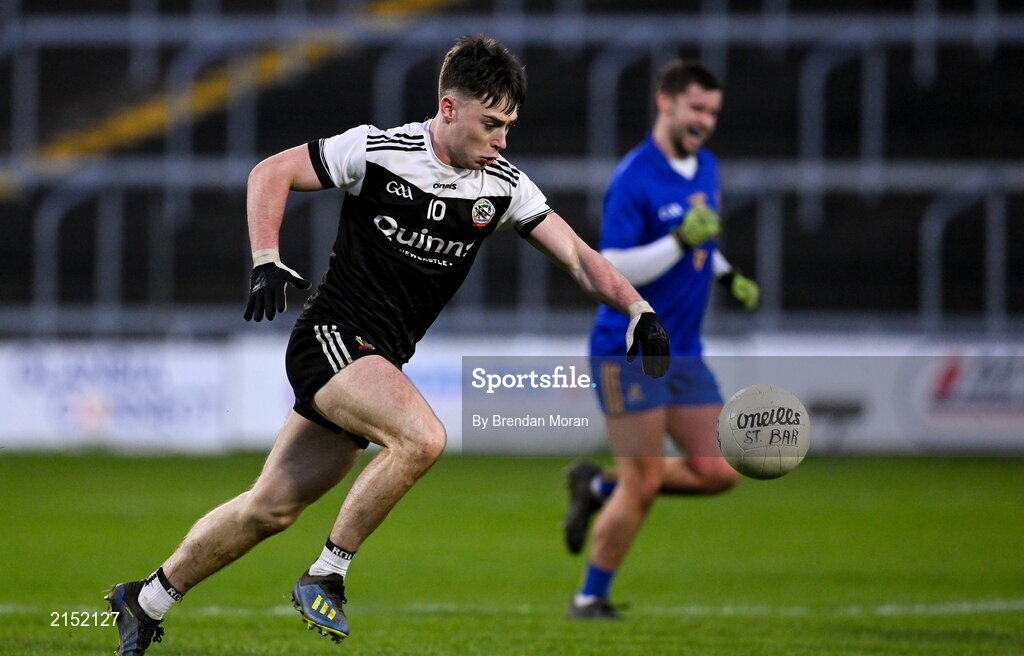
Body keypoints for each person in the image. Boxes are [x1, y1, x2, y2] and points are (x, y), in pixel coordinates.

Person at [104, 35, 670, 654]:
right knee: (422, 438)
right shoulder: (378, 150)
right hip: (331, 338)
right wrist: (266, 257)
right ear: (449, 109)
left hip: (375, 361)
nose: (502, 140)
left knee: (268, 509)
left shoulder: (504, 186)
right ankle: (327, 574)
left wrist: (638, 310)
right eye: (491, 124)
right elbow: (271, 172)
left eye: (509, 125)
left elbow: (581, 260)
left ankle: (146, 599)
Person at [562, 60, 759, 620]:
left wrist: (723, 274)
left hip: (685, 351)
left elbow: (702, 240)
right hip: (628, 350)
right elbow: (614, 264)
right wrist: (677, 239)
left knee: (719, 471)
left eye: (713, 112)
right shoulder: (634, 177)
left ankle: (597, 488)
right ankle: (589, 597)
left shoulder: (707, 168)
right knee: (644, 480)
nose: (705, 121)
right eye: (696, 108)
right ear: (665, 102)